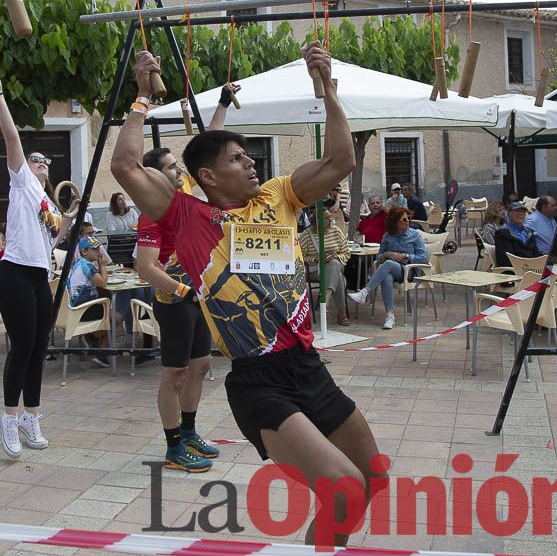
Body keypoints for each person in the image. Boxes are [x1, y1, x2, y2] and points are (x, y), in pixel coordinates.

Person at [113, 42, 386, 548]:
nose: (251, 163)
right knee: (345, 489)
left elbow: (342, 158)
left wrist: (326, 89)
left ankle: (323, 545)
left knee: (372, 480)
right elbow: (127, 167)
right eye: (238, 159)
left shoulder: (279, 194)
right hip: (259, 383)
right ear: (209, 177)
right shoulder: (186, 215)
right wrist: (139, 98)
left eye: (249, 155)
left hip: (307, 365)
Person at [134, 84, 236, 473]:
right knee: (174, 373)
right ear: (155, 178)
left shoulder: (189, 191)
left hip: (199, 297)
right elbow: (146, 269)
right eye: (172, 167)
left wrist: (224, 102)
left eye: (179, 165)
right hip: (174, 301)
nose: (180, 170)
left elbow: (208, 142)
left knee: (201, 366)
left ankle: (190, 432)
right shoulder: (152, 213)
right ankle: (173, 445)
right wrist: (181, 289)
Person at [0, 70, 64, 458]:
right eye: (36, 160)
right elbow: (13, 138)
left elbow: (51, 241)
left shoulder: (47, 204)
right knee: (20, 347)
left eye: (45, 162)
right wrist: (0, 95)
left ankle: (31, 416)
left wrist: (68, 221)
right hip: (13, 272)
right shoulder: (22, 184)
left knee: (38, 347)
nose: (41, 163)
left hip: (38, 275)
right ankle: (8, 417)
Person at [348, 206, 427, 330]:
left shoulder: (415, 235)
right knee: (386, 276)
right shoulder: (388, 236)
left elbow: (422, 257)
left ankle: (365, 292)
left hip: (408, 271)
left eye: (409, 219)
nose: (408, 222)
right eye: (404, 220)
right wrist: (387, 254)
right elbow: (379, 257)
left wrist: (406, 256)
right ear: (395, 222)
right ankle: (390, 315)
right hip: (392, 269)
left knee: (388, 265)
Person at [298, 193, 352, 327]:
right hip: (315, 270)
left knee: (334, 264)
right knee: (338, 277)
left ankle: (325, 300)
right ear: (319, 221)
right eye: (327, 218)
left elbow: (346, 252)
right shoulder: (307, 235)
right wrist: (317, 258)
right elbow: (300, 256)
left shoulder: (336, 231)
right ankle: (341, 314)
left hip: (335, 264)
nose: (331, 220)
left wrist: (335, 257)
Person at [66, 235, 113, 367]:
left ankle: (93, 339)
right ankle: (101, 353)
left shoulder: (79, 264)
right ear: (84, 251)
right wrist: (102, 266)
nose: (99, 252)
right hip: (83, 309)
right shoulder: (87, 266)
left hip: (74, 307)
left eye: (99, 249)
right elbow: (103, 283)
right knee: (114, 317)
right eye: (95, 249)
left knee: (107, 299)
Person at [493, 200, 541, 268]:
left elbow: (537, 254)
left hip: (533, 269)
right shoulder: (503, 233)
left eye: (522, 212)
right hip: (515, 271)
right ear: (509, 213)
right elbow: (506, 260)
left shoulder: (529, 232)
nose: (520, 214)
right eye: (516, 211)